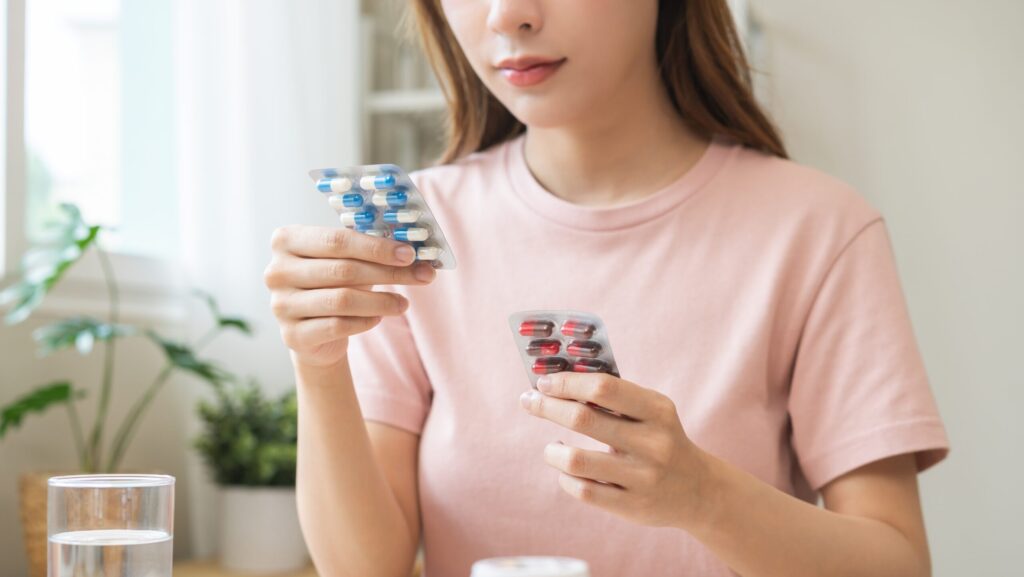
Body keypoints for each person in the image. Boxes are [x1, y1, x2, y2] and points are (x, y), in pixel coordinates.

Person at [263, 1, 950, 576]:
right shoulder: (412, 238)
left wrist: (704, 496)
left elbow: (896, 561)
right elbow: (364, 567)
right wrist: (318, 366)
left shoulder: (819, 231)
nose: (509, 15)